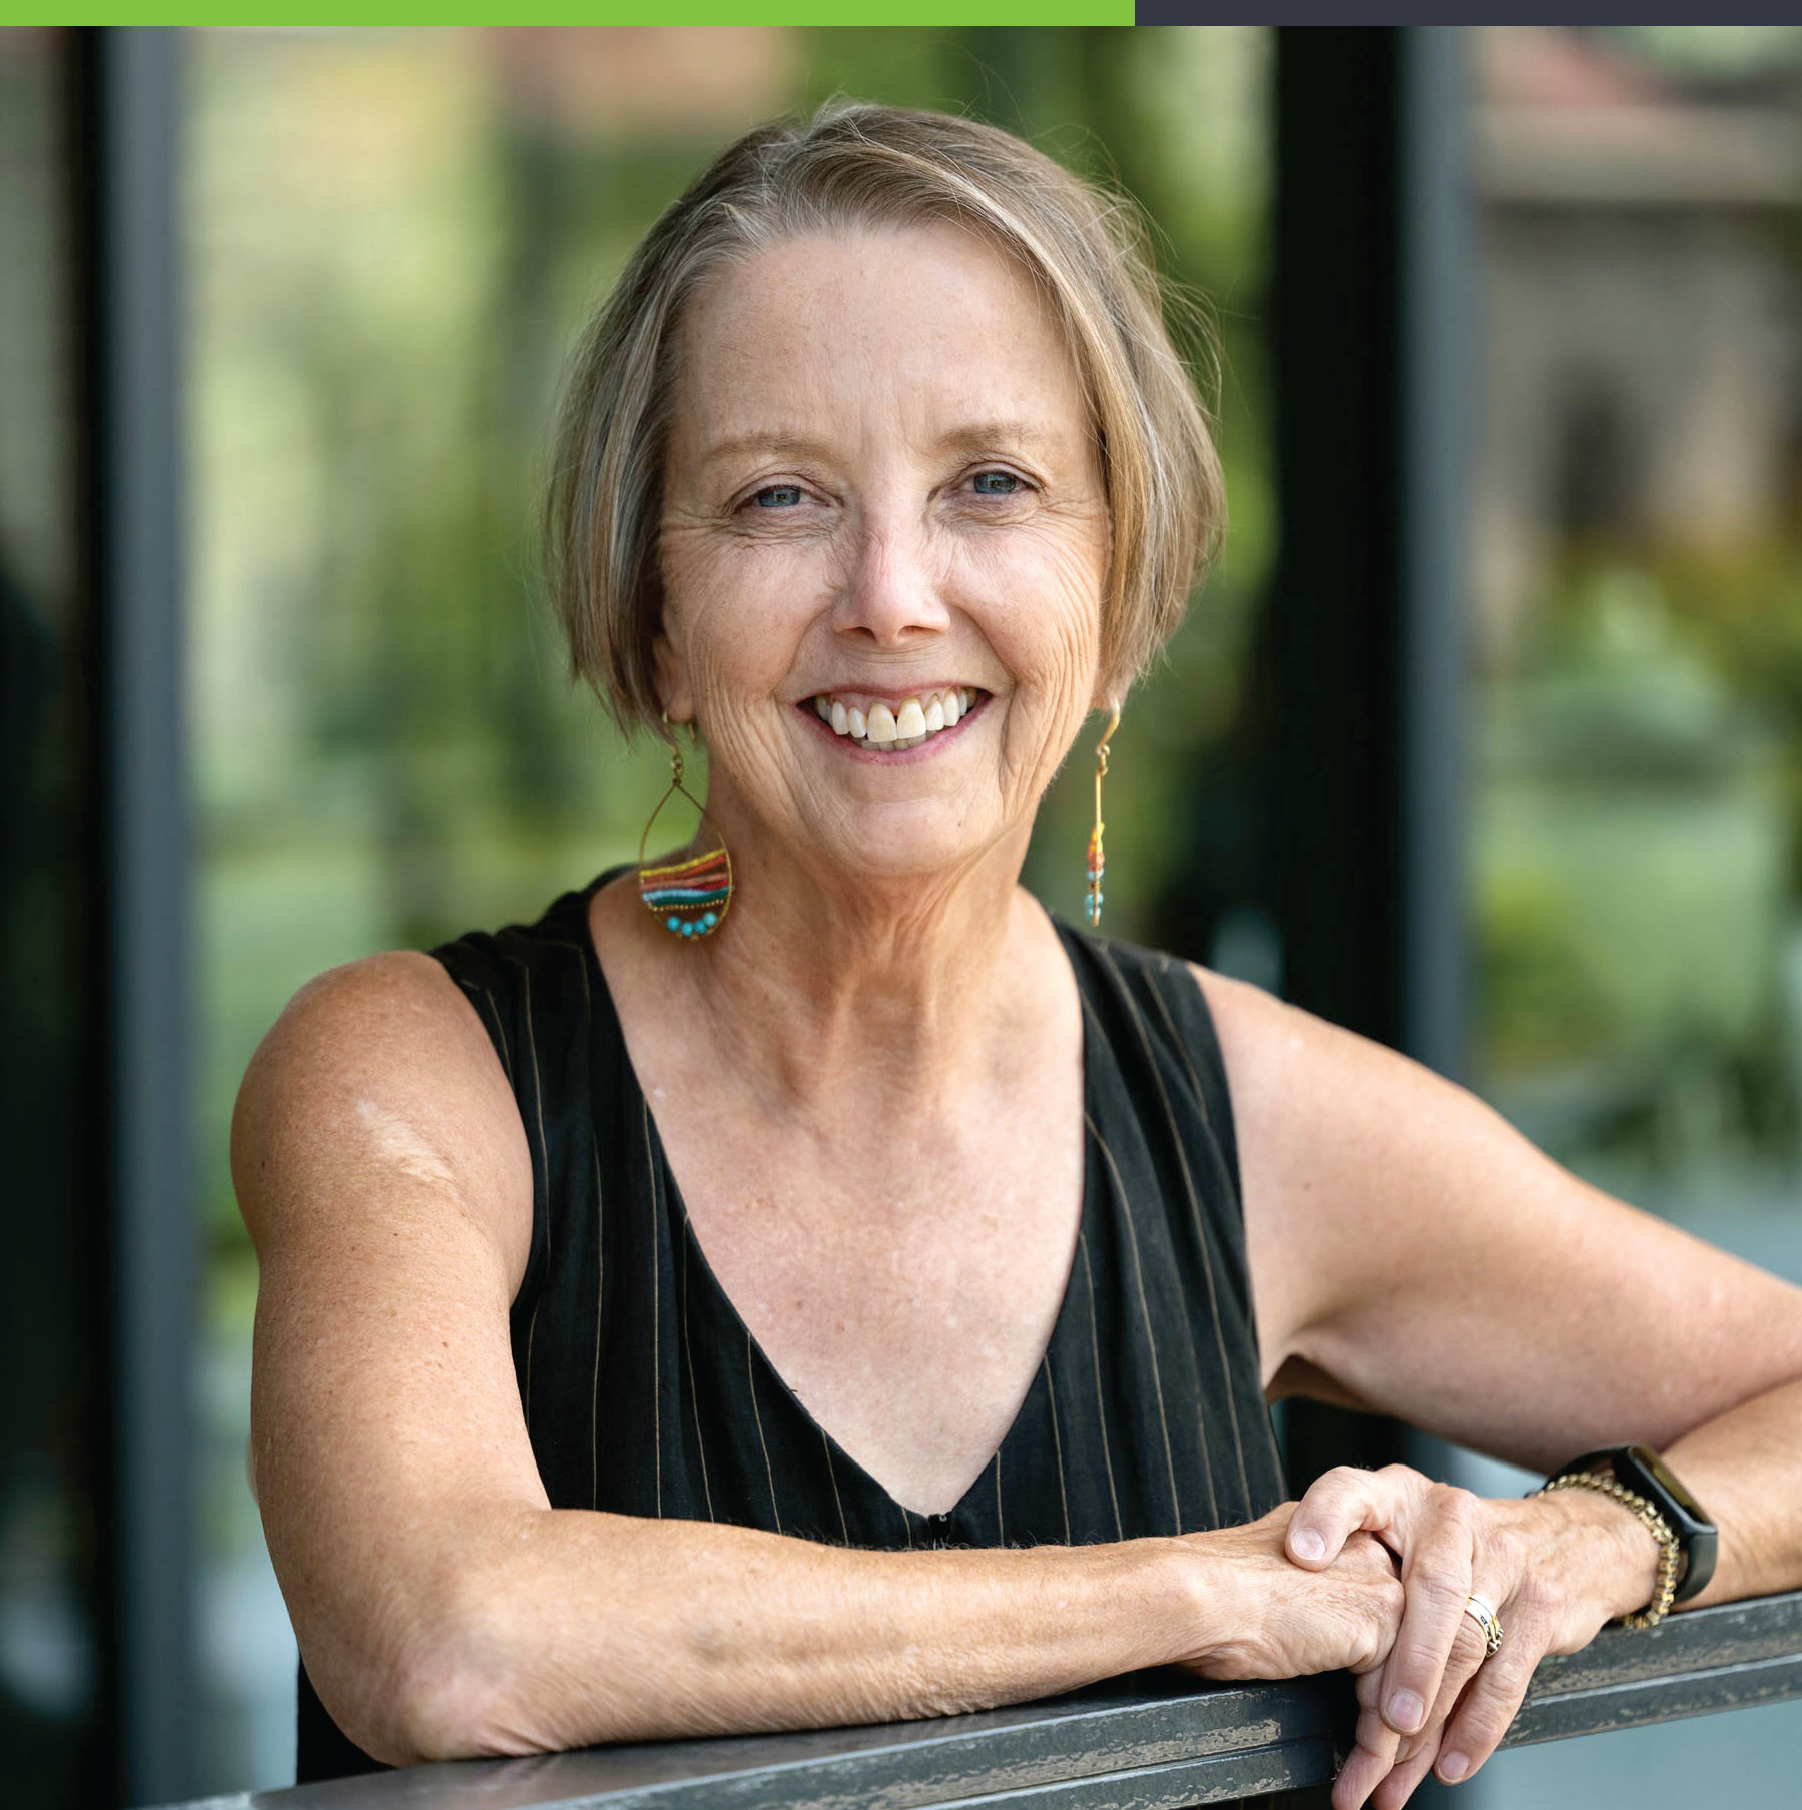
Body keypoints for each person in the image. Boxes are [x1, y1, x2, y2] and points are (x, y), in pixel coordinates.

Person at [234, 103, 1802, 1810]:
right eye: (778, 497)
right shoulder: (418, 1075)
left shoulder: (1250, 1118)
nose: (892, 595)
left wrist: (1603, 1535)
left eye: (992, 484)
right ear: (653, 608)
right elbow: (446, 1639)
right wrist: (1200, 1592)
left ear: (1117, 595)